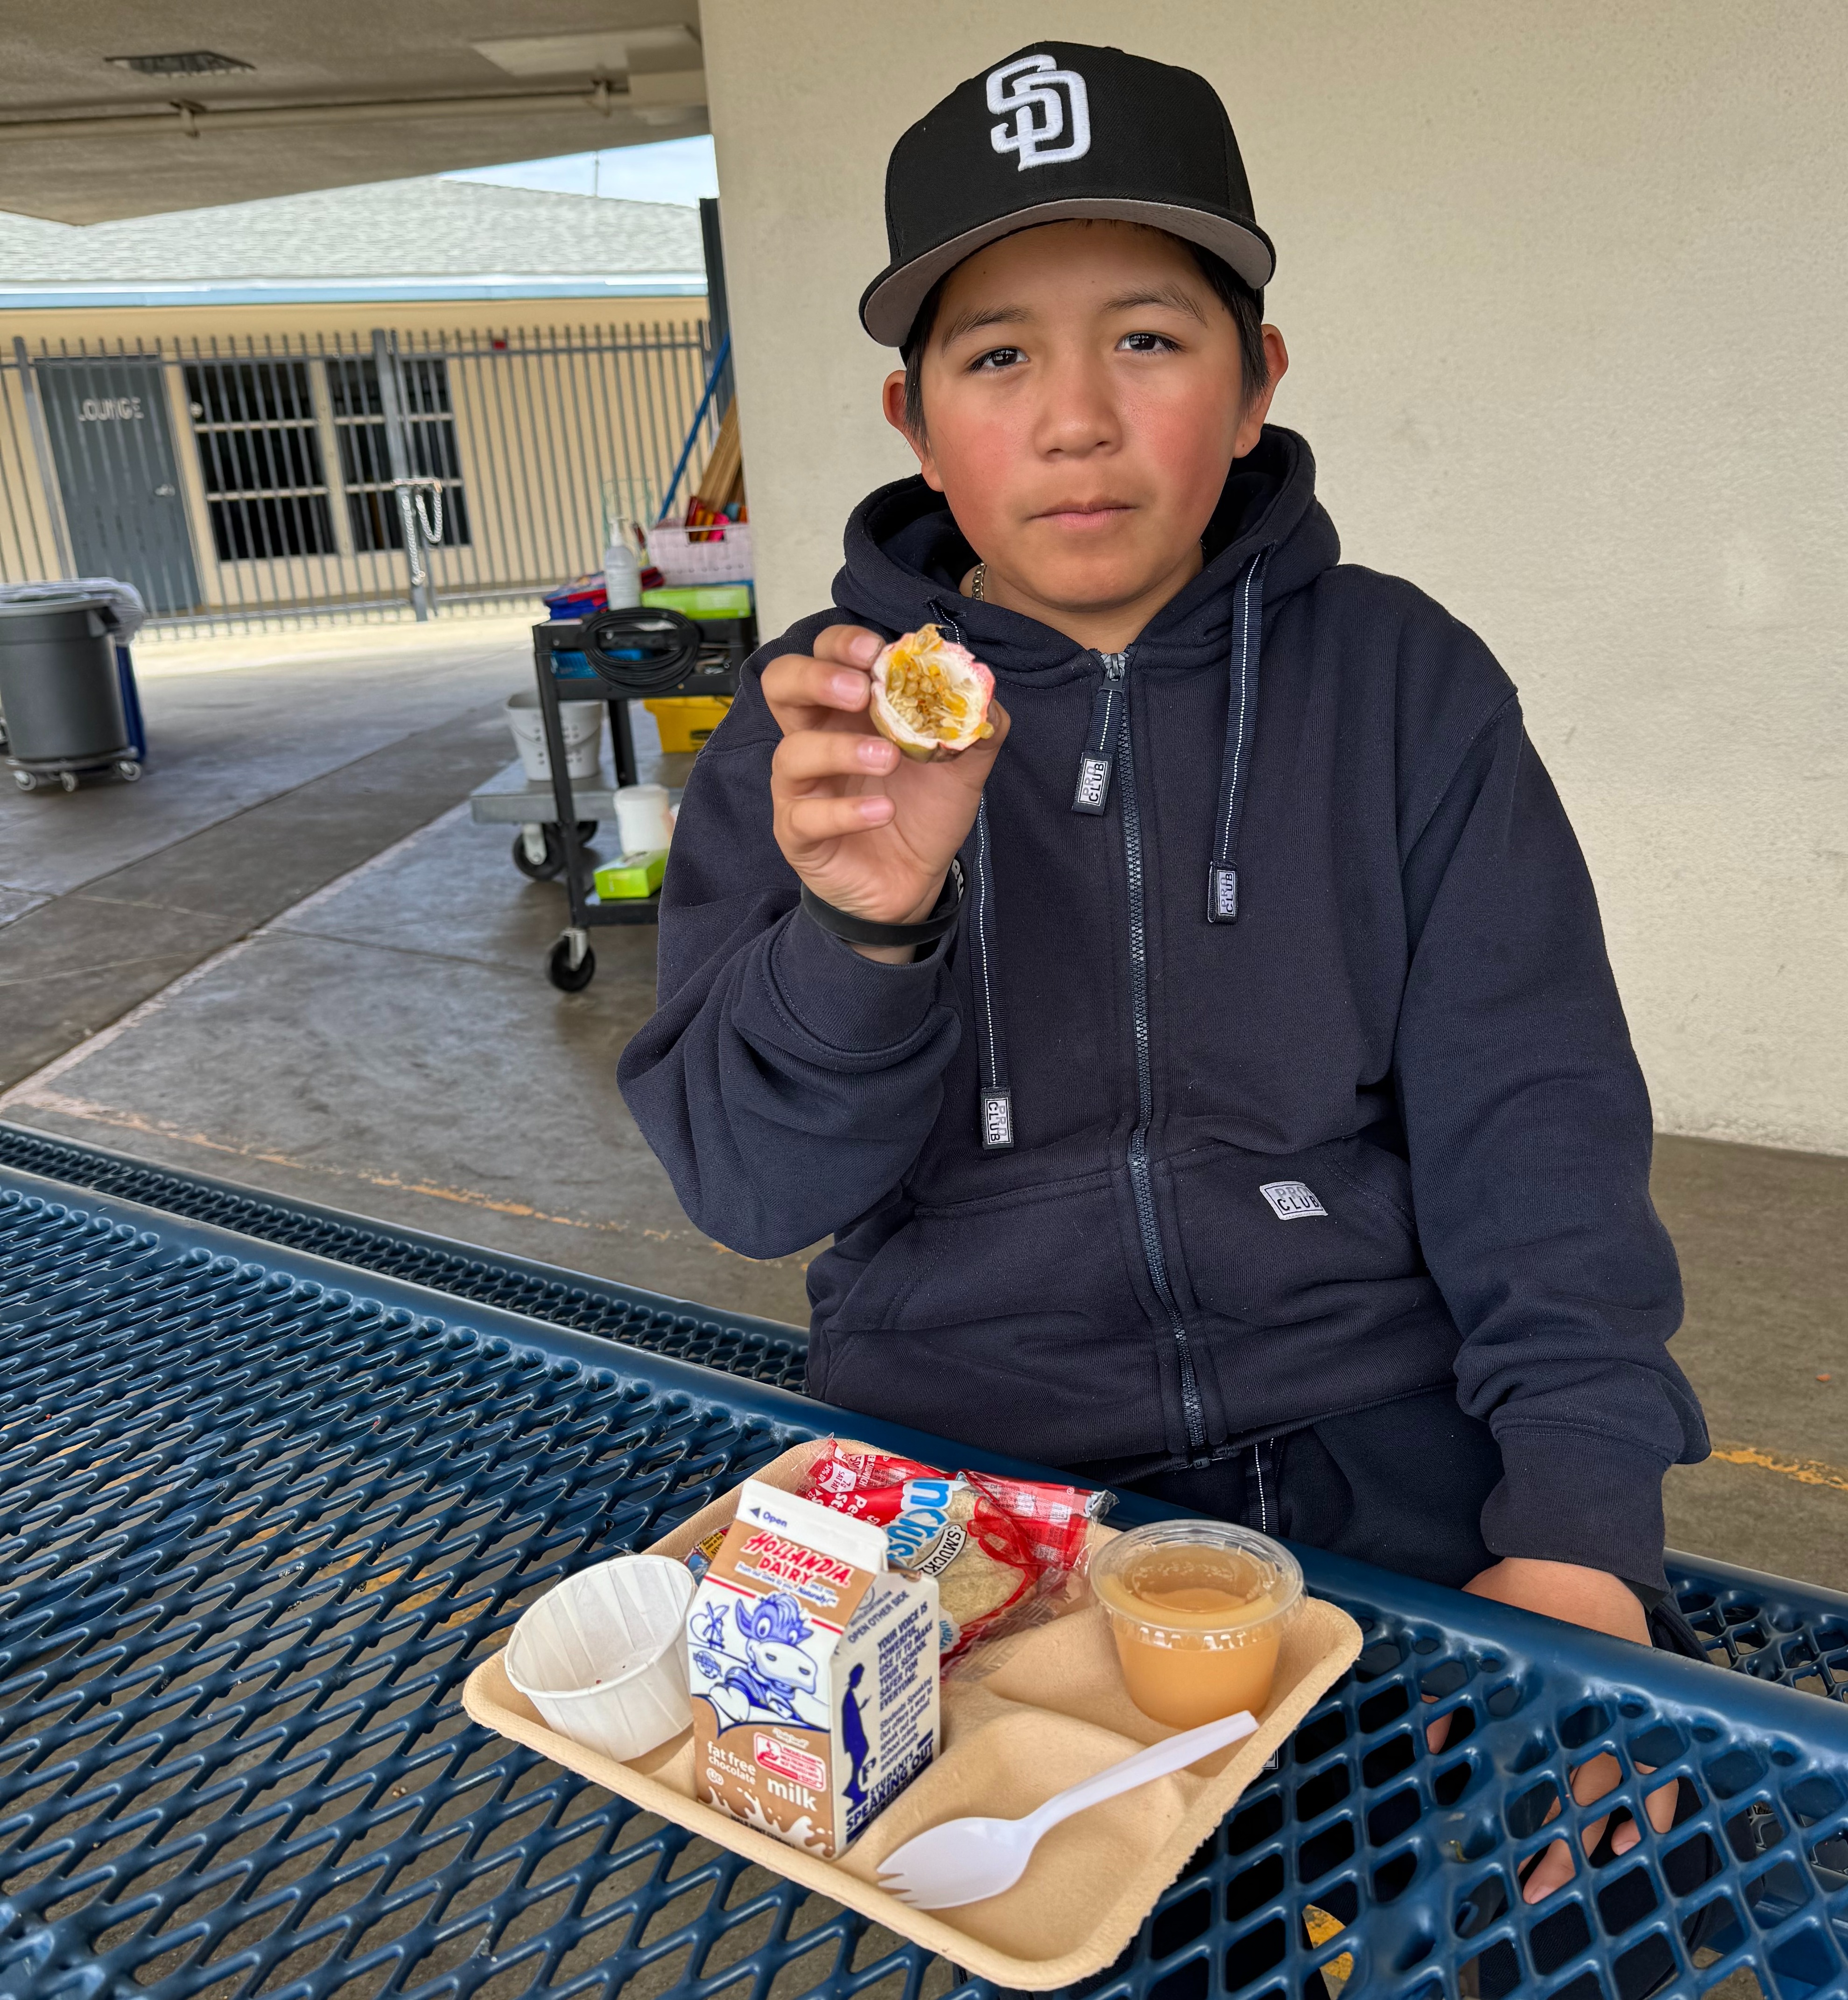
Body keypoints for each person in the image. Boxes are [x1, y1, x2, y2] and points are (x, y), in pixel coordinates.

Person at [619, 42, 1710, 1896]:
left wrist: (1589, 1534)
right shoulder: (818, 726)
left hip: (1384, 1457)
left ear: (1258, 374)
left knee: (1566, 1895)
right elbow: (750, 1189)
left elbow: (1539, 1126)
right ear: (910, 415)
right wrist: (867, 927)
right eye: (995, 357)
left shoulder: (1403, 688)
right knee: (1074, 1921)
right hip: (971, 1493)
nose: (1073, 421)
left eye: (1146, 338)